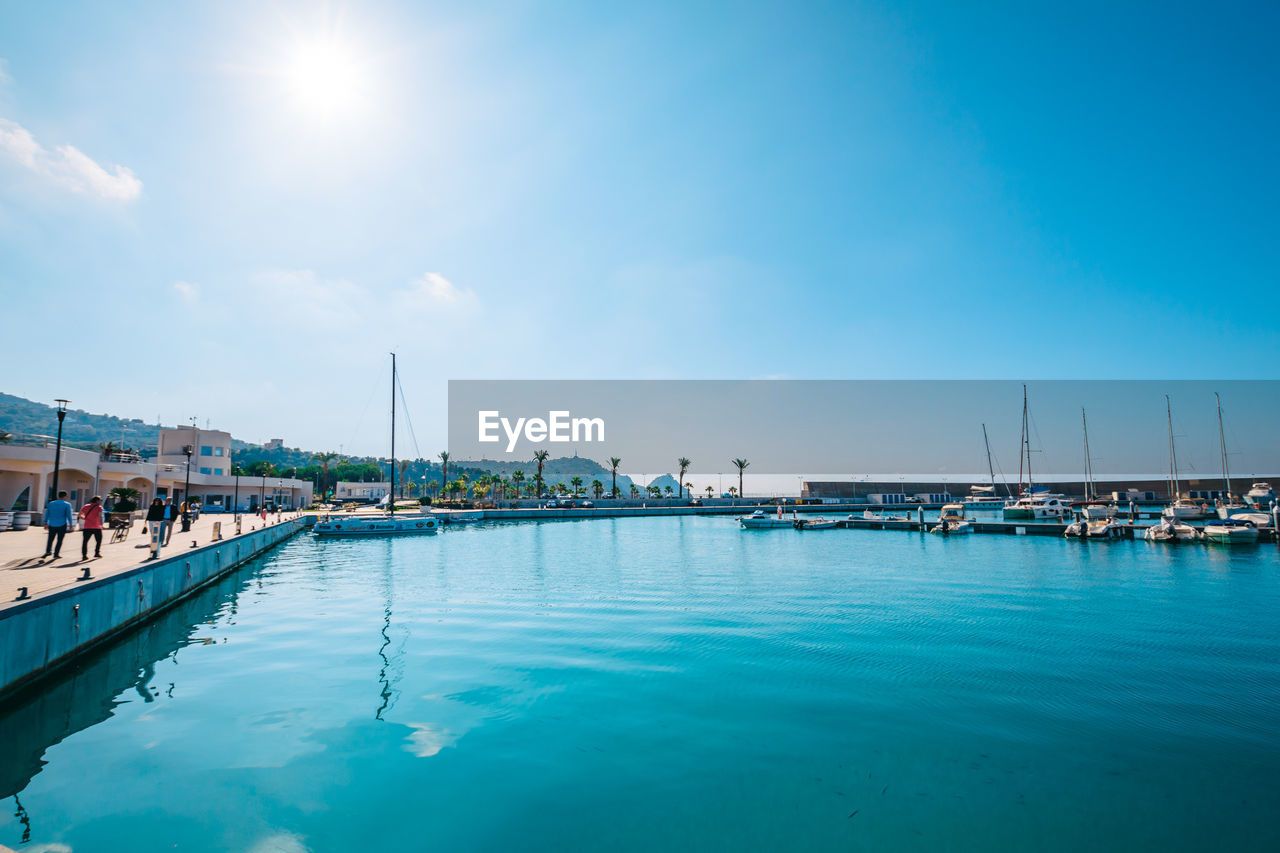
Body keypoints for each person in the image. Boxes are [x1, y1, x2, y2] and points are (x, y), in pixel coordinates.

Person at [43, 490, 74, 559]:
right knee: (59, 540)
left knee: (50, 539)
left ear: (58, 495)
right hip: (62, 524)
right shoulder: (67, 504)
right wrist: (71, 524)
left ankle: (48, 551)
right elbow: (69, 515)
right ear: (65, 496)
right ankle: (56, 554)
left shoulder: (51, 503)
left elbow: (47, 513)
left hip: (52, 524)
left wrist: (45, 522)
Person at [79, 495, 105, 559]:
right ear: (97, 501)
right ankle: (96, 553)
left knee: (85, 541)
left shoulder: (86, 506)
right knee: (99, 540)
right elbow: (100, 516)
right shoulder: (99, 507)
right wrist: (101, 525)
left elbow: (79, 515)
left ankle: (84, 555)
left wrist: (84, 518)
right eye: (100, 500)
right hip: (96, 527)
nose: (101, 501)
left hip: (87, 526)